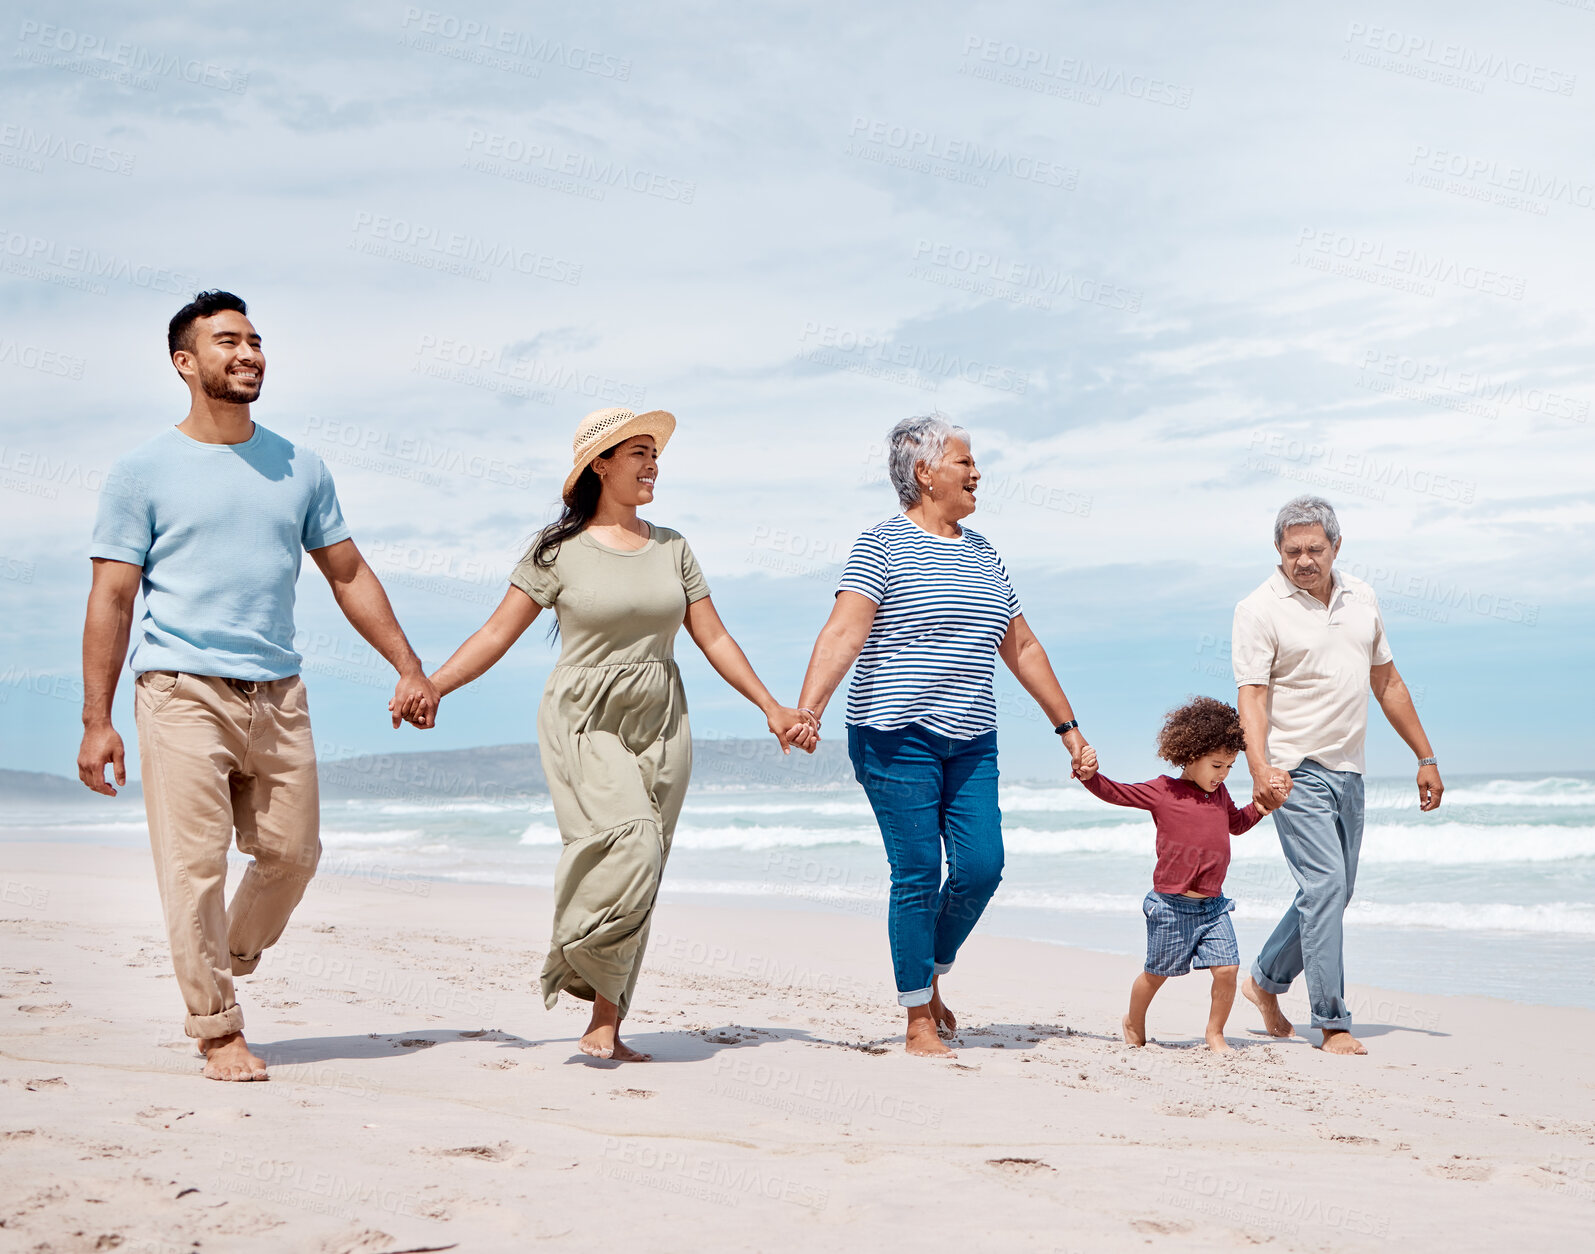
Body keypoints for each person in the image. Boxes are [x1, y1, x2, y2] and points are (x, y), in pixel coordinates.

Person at [77, 291, 439, 1082]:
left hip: (278, 692)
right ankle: (217, 1029)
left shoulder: (299, 465)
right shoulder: (142, 471)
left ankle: (230, 951)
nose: (248, 353)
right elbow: (112, 597)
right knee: (194, 868)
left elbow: (347, 572)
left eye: (255, 340)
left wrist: (408, 666)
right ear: (185, 362)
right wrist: (95, 720)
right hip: (180, 692)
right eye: (226, 341)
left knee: (293, 853)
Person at [407, 406, 814, 1062]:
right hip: (583, 717)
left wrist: (771, 706)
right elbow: (494, 633)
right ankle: (572, 946)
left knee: (649, 866)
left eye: (656, 453)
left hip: (662, 717)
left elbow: (712, 635)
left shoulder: (672, 546)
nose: (654, 464)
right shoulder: (556, 553)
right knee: (631, 844)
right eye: (639, 453)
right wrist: (433, 685)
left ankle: (606, 1022)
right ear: (599, 465)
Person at [793, 414, 1089, 1059]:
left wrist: (1067, 728)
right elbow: (843, 632)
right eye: (964, 461)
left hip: (972, 737)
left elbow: (1024, 645)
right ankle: (916, 1018)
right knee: (919, 870)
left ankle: (928, 976)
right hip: (893, 733)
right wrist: (809, 709)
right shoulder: (881, 545)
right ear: (925, 472)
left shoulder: (983, 552)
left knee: (983, 867)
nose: (976, 472)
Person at [1233, 495, 1443, 1056]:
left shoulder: (1362, 598)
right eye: (1293, 550)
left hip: (1349, 769)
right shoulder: (1258, 608)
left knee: (1334, 891)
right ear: (1278, 551)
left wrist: (1424, 756)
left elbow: (1388, 683)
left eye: (1315, 549)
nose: (1304, 560)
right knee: (1324, 888)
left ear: (1336, 547)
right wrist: (1259, 767)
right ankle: (1332, 1022)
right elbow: (1250, 695)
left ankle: (1263, 980)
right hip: (1292, 771)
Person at [1073, 697, 1274, 1053]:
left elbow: (1237, 825)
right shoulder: (1164, 790)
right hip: (1170, 906)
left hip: (1213, 907)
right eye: (1217, 765)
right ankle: (1134, 1019)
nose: (1223, 774)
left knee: (1227, 969)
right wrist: (1090, 777)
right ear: (1190, 755)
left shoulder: (1220, 794)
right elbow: (1116, 792)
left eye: (1229, 766)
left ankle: (1215, 1033)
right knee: (1156, 974)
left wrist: (1262, 807)